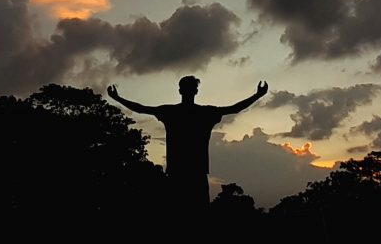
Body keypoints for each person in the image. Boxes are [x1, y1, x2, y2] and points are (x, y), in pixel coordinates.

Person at [106, 76, 268, 212]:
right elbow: (235, 108)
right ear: (195, 91)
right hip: (195, 174)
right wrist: (257, 95)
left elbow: (140, 109)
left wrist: (117, 98)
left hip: (177, 174)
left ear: (180, 90)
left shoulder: (171, 112)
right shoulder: (205, 113)